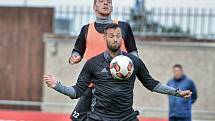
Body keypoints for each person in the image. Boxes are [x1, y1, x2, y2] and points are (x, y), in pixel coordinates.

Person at [44, 23, 192, 121]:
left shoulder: (133, 61)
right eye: (111, 36)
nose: (115, 39)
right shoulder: (93, 63)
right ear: (104, 38)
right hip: (99, 118)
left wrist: (177, 92)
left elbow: (151, 84)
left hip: (126, 117)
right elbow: (76, 91)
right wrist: (57, 85)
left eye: (118, 36)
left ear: (122, 38)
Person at [68, 0, 138, 120]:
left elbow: (133, 52)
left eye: (109, 2)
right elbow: (77, 51)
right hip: (92, 84)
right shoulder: (86, 29)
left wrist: (133, 66)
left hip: (115, 85)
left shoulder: (123, 27)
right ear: (94, 7)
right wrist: (75, 57)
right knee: (77, 118)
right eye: (101, 1)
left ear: (112, 6)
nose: (105, 4)